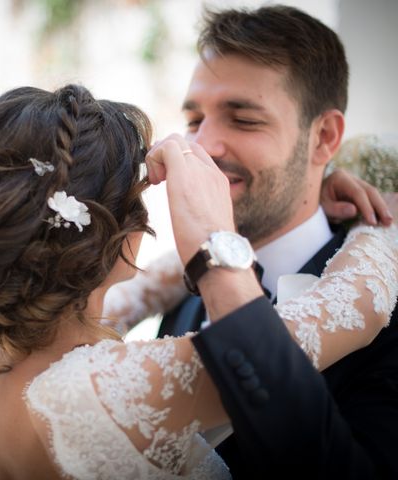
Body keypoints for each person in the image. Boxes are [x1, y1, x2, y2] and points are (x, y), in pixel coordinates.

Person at [0, 84, 397, 479]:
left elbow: (155, 282)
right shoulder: (103, 390)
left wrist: (311, 190)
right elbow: (347, 311)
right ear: (124, 236)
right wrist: (380, 225)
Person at [108, 5, 398, 478]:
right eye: (195, 119)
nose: (204, 145)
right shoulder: (182, 296)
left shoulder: (387, 309)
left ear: (324, 138)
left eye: (243, 120)